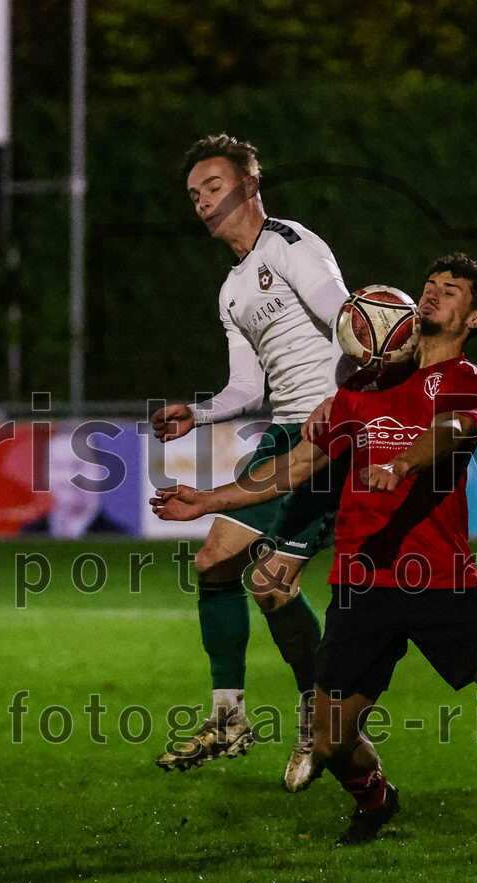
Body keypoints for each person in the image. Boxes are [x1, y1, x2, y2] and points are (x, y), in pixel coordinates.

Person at [151, 253, 477, 855]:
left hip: (443, 584)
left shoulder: (465, 379)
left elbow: (453, 430)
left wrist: (401, 463)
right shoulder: (359, 388)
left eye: (450, 290)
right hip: (362, 584)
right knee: (328, 743)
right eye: (429, 284)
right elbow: (297, 465)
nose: (432, 294)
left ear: (474, 319)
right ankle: (376, 798)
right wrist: (208, 500)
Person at [150, 134, 350, 791]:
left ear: (250, 185)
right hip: (282, 432)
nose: (203, 201)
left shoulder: (292, 245)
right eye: (194, 194)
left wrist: (347, 401)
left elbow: (353, 326)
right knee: (215, 564)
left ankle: (321, 716)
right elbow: (247, 389)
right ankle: (229, 717)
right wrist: (199, 412)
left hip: (326, 434)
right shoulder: (232, 288)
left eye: (213, 186)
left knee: (268, 582)